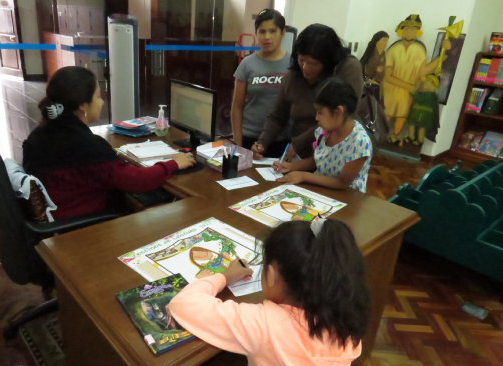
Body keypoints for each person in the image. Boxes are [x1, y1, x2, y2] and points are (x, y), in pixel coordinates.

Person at [169, 218, 370, 366]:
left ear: (272, 274)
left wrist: (224, 277)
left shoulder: (265, 325)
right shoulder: (348, 322)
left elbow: (183, 304)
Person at [22, 66, 195, 220]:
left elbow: (99, 171)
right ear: (83, 105)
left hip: (62, 208)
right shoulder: (86, 145)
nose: (102, 102)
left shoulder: (41, 133)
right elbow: (135, 182)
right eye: (97, 97)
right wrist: (173, 164)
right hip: (82, 223)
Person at [252, 23, 363, 161]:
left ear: (327, 63)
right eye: (301, 60)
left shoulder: (347, 68)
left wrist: (299, 144)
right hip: (299, 154)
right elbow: (278, 115)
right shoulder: (293, 76)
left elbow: (342, 118)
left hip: (334, 153)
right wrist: (262, 143)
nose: (305, 67)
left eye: (313, 64)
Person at [274, 77, 372, 193]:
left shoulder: (359, 142)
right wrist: (292, 166)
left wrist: (304, 176)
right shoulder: (325, 131)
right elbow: (318, 160)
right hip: (320, 192)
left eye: (320, 113)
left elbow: (342, 183)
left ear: (338, 112)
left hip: (346, 199)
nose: (316, 118)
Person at [230, 9, 290, 156]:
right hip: (250, 138)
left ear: (282, 33)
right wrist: (238, 141)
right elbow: (236, 107)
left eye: (272, 31)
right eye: (262, 31)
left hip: (282, 140)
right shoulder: (247, 64)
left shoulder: (293, 64)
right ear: (256, 33)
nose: (267, 37)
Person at [382, 14, 450, 145]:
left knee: (403, 114)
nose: (409, 32)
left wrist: (442, 54)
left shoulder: (419, 50)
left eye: (413, 30)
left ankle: (395, 137)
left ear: (417, 33)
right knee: (387, 113)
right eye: (407, 29)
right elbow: (387, 76)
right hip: (391, 89)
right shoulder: (393, 50)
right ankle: (380, 137)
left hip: (409, 92)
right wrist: (408, 86)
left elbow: (423, 71)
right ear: (402, 31)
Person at [405, 74, 440, 145]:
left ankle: (417, 139)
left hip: (422, 114)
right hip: (418, 112)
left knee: (418, 126)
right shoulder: (428, 94)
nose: (424, 85)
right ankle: (414, 139)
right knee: (417, 126)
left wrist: (412, 93)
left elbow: (419, 99)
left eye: (427, 84)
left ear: (432, 86)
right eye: (424, 83)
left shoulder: (430, 95)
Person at [360, 30, 389, 101]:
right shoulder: (370, 52)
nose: (386, 43)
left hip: (377, 85)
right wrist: (367, 80)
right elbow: (361, 67)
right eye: (384, 41)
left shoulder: (384, 55)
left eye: (387, 41)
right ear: (377, 41)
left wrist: (376, 81)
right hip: (365, 83)